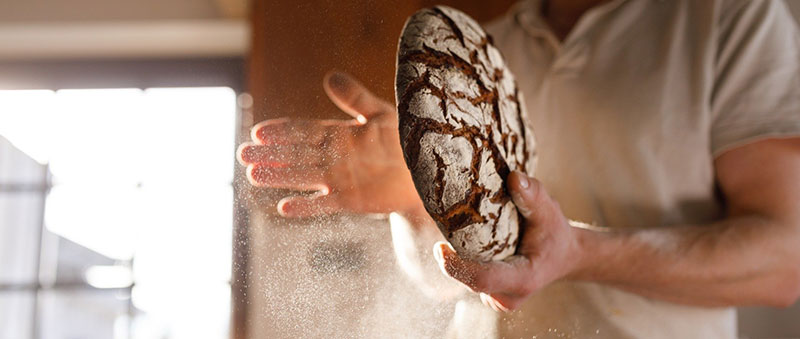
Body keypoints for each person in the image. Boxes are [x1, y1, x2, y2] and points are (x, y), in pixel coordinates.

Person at [237, 0, 800, 337]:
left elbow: (783, 263)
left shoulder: (730, 21)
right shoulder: (480, 52)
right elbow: (449, 283)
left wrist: (578, 255)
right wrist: (415, 201)